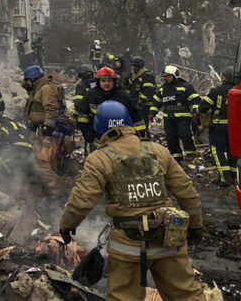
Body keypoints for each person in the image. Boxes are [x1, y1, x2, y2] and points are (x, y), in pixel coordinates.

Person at [59, 100, 204, 301]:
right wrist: (196, 226)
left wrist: (67, 226)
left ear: (99, 128)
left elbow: (82, 199)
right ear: (128, 123)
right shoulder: (158, 150)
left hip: (128, 244)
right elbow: (186, 191)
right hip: (169, 239)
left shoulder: (100, 159)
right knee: (186, 295)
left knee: (123, 297)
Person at [76, 67, 140, 155]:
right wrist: (87, 135)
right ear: (98, 82)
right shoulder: (90, 96)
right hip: (96, 139)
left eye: (110, 81)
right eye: (103, 81)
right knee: (94, 162)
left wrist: (138, 136)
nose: (106, 83)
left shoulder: (123, 96)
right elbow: (82, 117)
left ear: (114, 81)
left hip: (120, 140)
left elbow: (136, 118)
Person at [23, 65, 66, 194]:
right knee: (49, 162)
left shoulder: (46, 89)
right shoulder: (41, 87)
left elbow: (51, 112)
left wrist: (47, 135)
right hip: (48, 131)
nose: (26, 84)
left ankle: (57, 193)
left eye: (27, 81)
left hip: (50, 132)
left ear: (32, 79)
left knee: (41, 163)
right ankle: (49, 190)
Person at [150, 65, 201, 162]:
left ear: (175, 75)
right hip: (168, 118)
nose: (166, 78)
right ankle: (176, 156)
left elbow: (195, 99)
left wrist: (195, 111)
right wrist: (152, 113)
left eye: (169, 76)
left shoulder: (185, 86)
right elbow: (156, 102)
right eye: (165, 76)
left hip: (183, 117)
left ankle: (191, 152)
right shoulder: (162, 89)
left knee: (184, 134)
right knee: (171, 138)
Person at [198, 67, 238, 185]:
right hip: (234, 128)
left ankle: (225, 179)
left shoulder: (216, 91)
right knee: (232, 152)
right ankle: (233, 177)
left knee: (217, 151)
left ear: (223, 77)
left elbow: (203, 106)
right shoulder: (238, 91)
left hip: (218, 128)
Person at [128, 56, 157, 139]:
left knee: (144, 125)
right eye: (132, 66)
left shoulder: (146, 76)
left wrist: (141, 101)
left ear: (139, 66)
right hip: (136, 105)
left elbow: (149, 90)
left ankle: (146, 139)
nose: (132, 68)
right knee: (137, 125)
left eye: (134, 66)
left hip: (145, 106)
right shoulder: (135, 76)